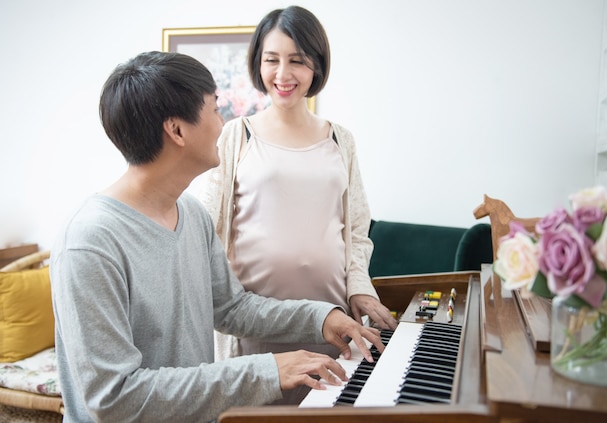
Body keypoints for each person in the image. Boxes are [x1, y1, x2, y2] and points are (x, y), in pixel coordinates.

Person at [49, 51, 384, 423]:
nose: (223, 123)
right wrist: (267, 371)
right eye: (214, 109)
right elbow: (114, 398)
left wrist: (321, 318)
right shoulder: (90, 242)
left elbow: (230, 308)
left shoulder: (190, 214)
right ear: (177, 130)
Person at [199, 5, 398, 403]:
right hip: (252, 327)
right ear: (258, 63)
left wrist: (360, 287)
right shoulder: (236, 135)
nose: (283, 74)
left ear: (316, 67)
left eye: (297, 61)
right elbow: (207, 228)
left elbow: (357, 230)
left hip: (331, 322)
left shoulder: (341, 140)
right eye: (271, 60)